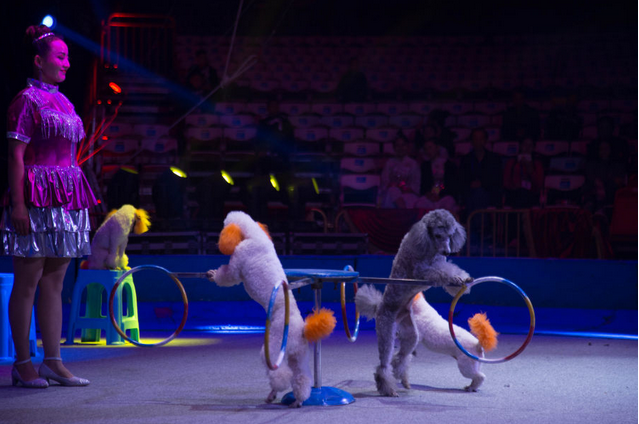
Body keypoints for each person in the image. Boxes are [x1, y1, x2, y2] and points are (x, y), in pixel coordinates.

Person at [1, 25, 96, 388]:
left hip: (66, 199)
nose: (67, 64)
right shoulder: (26, 100)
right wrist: (19, 205)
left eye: (69, 57)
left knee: (55, 283)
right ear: (39, 61)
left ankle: (53, 361)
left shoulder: (65, 102)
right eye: (61, 57)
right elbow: (15, 155)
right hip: (36, 197)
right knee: (28, 282)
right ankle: (23, 363)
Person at [459, 128, 503, 216]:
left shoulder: (494, 159)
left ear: (485, 141)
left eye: (481, 139)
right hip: (469, 194)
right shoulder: (466, 159)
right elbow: (461, 179)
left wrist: (482, 184)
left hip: (489, 193)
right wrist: (471, 184)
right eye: (475, 138)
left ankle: (479, 227)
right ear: (471, 141)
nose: (478, 141)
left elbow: (497, 179)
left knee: (480, 194)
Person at [415, 138, 459, 213]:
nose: (428, 151)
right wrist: (428, 194)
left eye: (430, 148)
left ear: (437, 147)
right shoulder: (425, 166)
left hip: (445, 197)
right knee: (419, 204)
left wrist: (440, 195)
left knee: (448, 204)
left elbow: (453, 186)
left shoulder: (449, 165)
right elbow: (423, 186)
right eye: (426, 149)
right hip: (430, 198)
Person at [378, 134, 421, 208]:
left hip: (408, 194)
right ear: (394, 148)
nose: (400, 148)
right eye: (397, 145)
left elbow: (416, 184)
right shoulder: (389, 163)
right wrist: (396, 188)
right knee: (392, 191)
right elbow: (385, 181)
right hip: (392, 192)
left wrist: (403, 189)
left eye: (403, 145)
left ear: (407, 147)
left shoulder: (413, 163)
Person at [503, 138, 545, 208]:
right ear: (520, 146)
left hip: (531, 196)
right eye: (525, 145)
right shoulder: (511, 162)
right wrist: (515, 186)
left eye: (530, 145)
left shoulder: (537, 164)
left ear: (533, 148)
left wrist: (530, 170)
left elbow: (539, 185)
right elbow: (505, 182)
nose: (527, 148)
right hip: (514, 195)